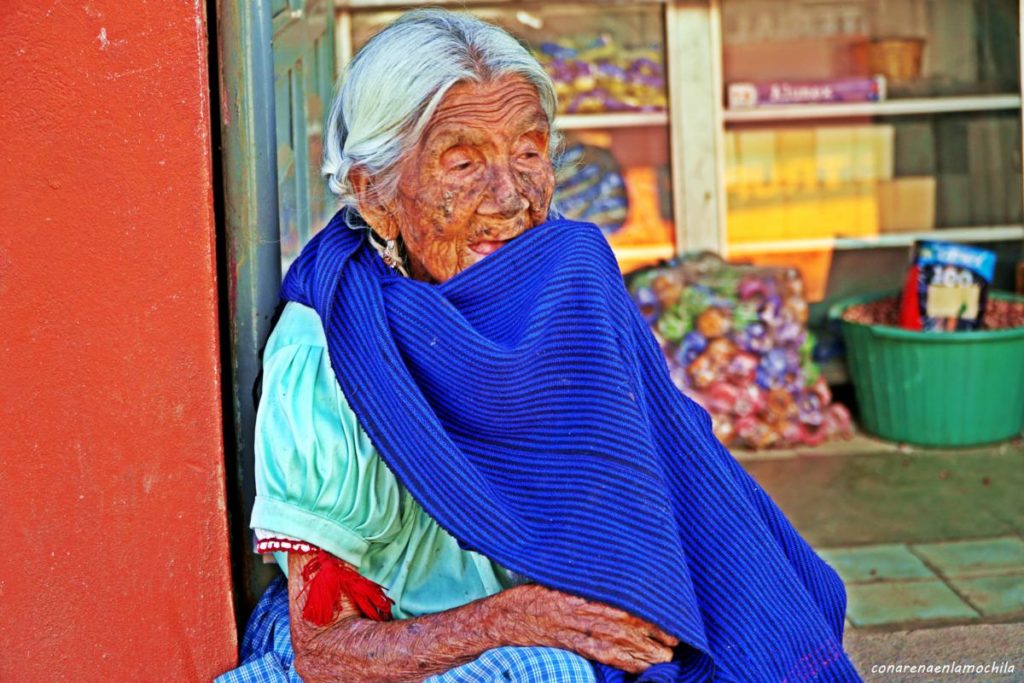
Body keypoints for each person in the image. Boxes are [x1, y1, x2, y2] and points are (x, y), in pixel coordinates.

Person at [219, 9, 860, 683]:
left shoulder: (569, 276)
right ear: (372, 195)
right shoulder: (332, 346)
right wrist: (512, 616)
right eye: (463, 161)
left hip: (543, 613)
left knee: (774, 610)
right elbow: (325, 647)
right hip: (386, 638)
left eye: (528, 152)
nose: (510, 196)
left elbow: (672, 479)